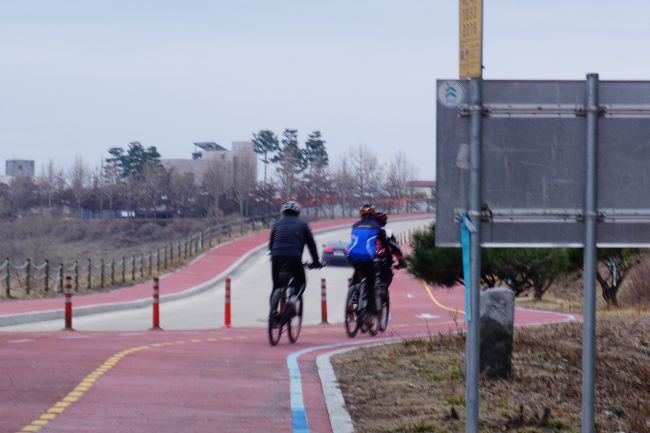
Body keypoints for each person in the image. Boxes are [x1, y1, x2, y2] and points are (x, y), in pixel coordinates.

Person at [268, 200, 321, 304]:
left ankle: (273, 314)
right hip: (294, 257)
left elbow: (271, 244)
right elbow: (311, 245)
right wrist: (316, 261)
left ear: (283, 212)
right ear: (298, 213)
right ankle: (293, 299)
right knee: (301, 282)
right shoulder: (303, 224)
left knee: (276, 286)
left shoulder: (277, 224)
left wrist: (272, 254)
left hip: (276, 257)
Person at [346, 204, 385, 316]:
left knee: (358, 270)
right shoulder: (377, 227)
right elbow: (383, 244)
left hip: (352, 255)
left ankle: (354, 292)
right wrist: (382, 255)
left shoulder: (355, 225)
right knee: (370, 283)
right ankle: (369, 311)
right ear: (373, 214)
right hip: (368, 257)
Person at [373, 211, 407, 291]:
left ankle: (354, 285)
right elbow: (395, 247)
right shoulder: (387, 232)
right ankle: (382, 294)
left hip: (365, 258)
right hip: (383, 260)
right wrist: (401, 261)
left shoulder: (365, 230)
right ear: (385, 221)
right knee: (386, 277)